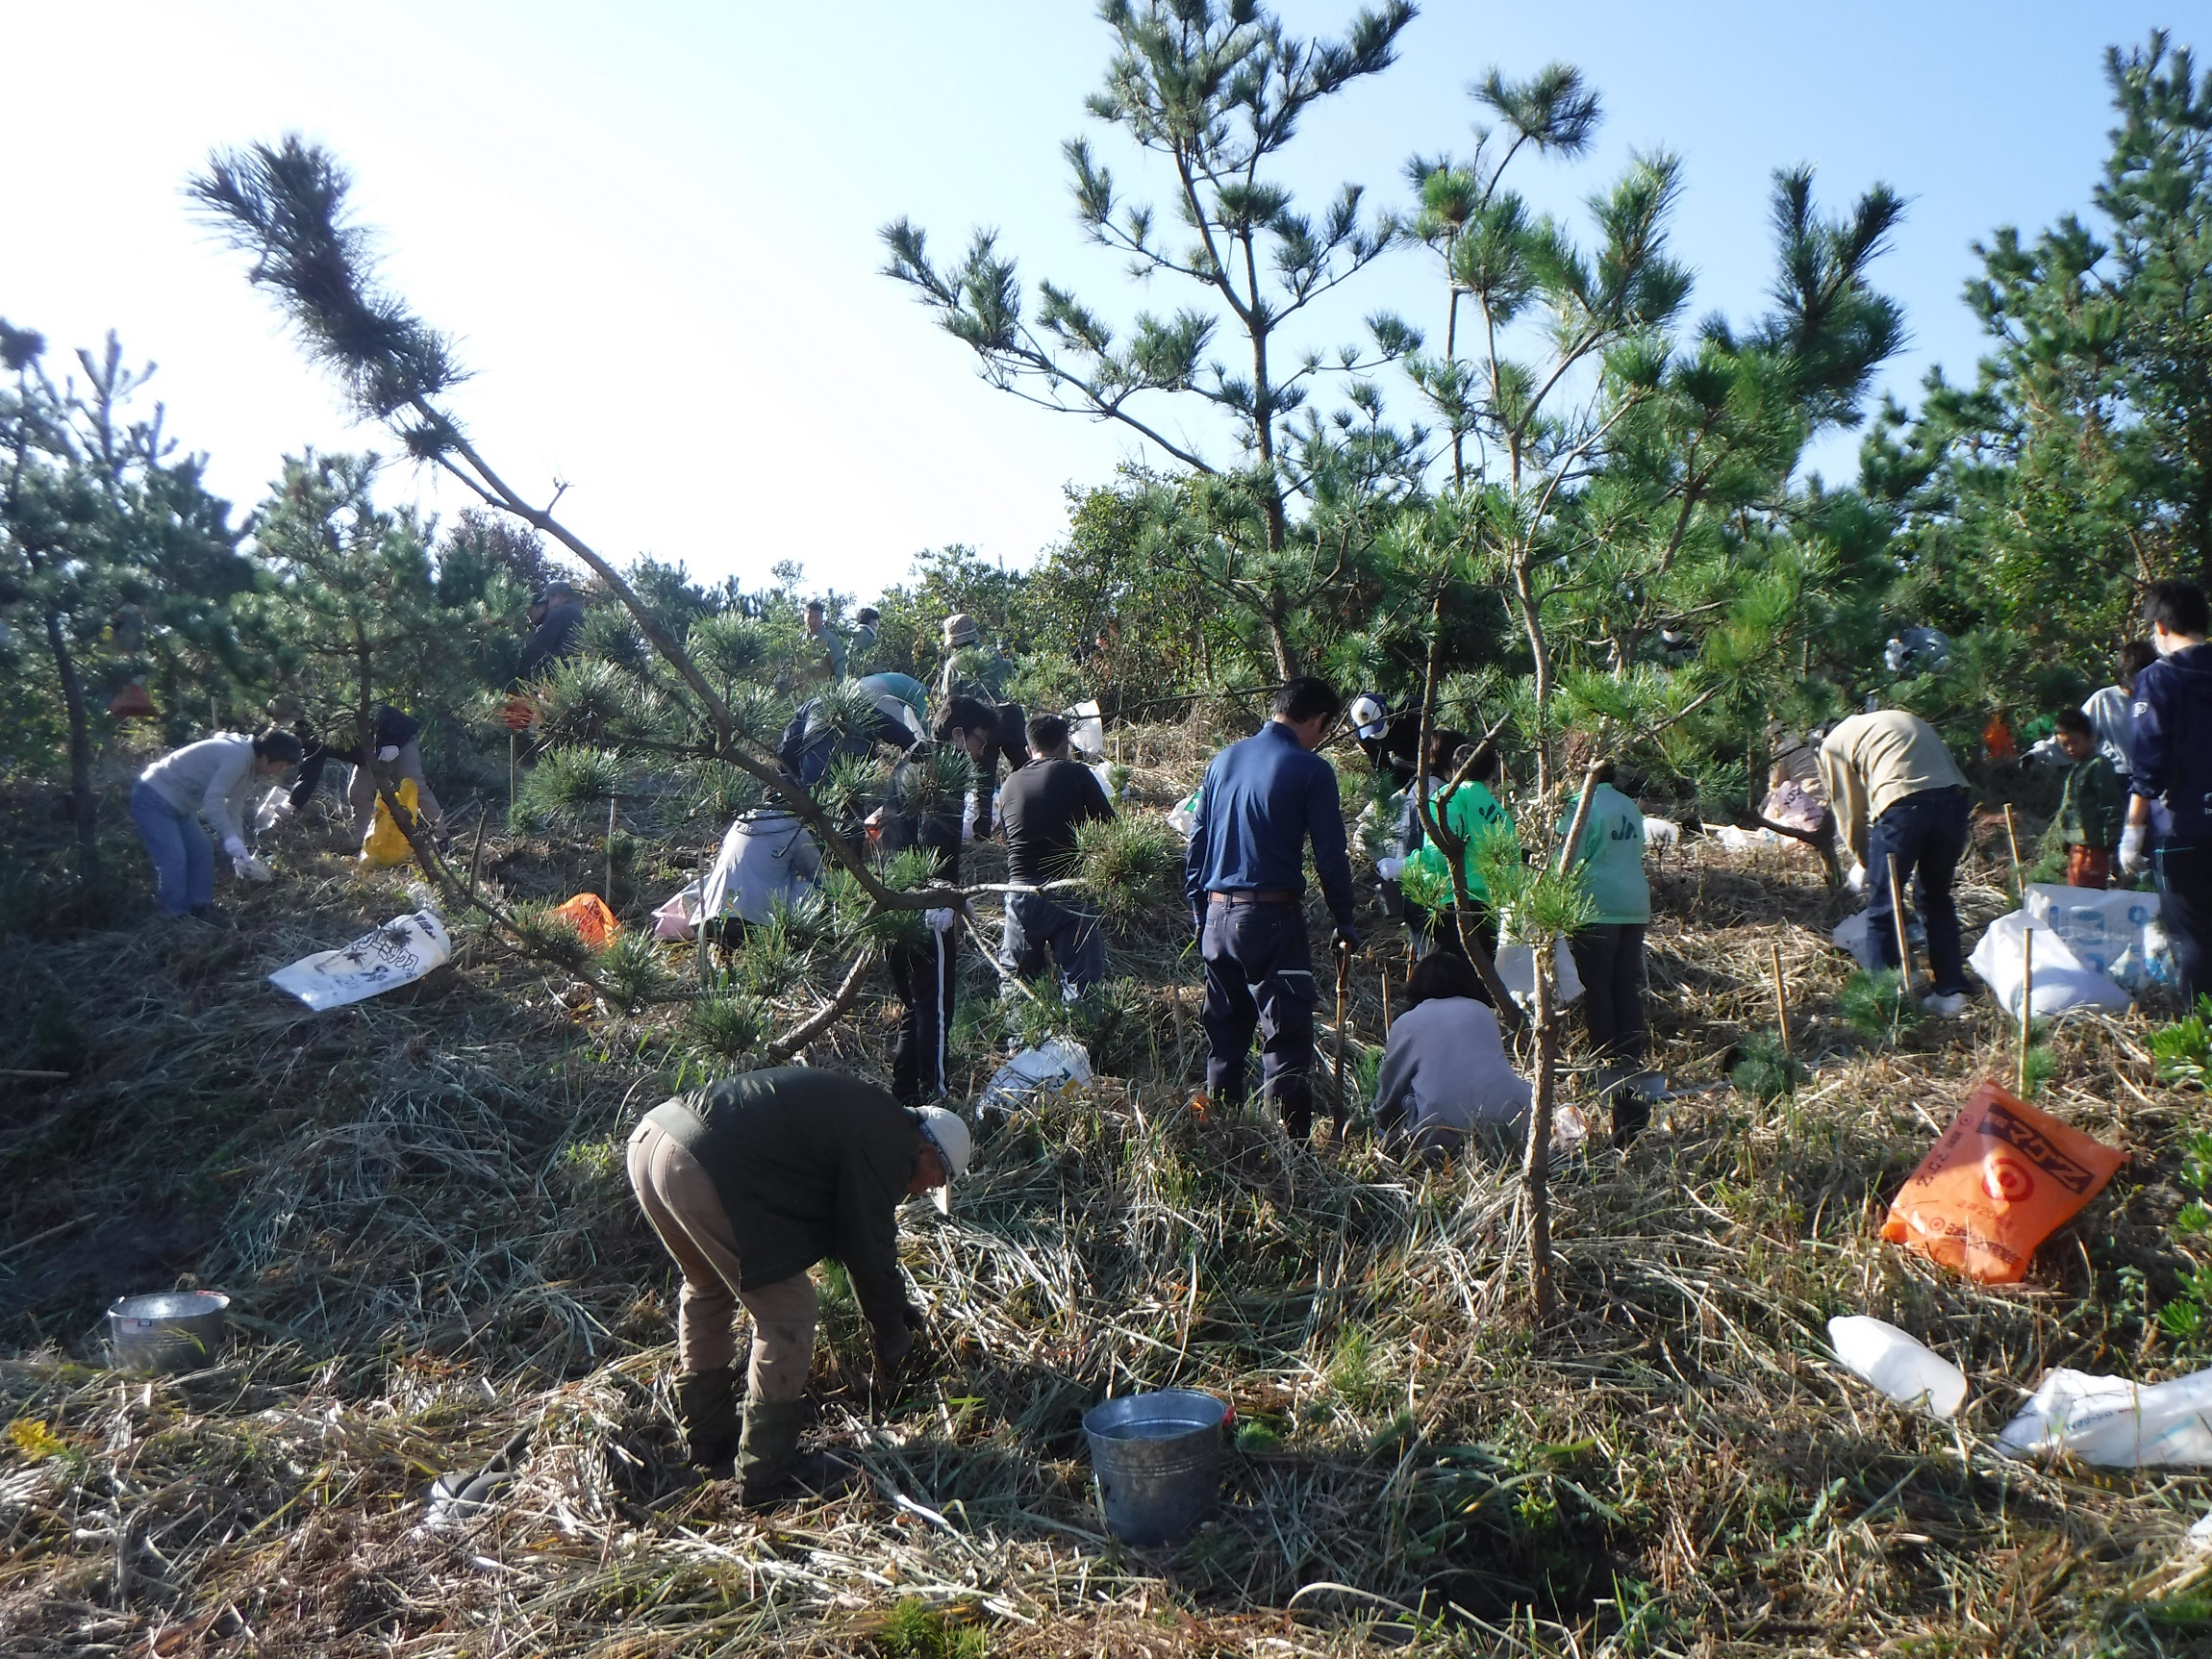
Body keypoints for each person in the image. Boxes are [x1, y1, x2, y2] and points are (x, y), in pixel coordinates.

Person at [625, 1068, 970, 1505]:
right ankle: (766, 1475)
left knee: (707, 1285)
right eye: (933, 1182)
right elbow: (867, 1243)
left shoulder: (867, 1112)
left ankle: (708, 1437)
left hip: (654, 1140)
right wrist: (892, 1332)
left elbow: (839, 1224)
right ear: (927, 1152)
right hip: (703, 1163)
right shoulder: (891, 1143)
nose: (922, 1190)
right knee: (788, 1311)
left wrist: (892, 1307)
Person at [1185, 676, 1360, 1141]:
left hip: (1217, 917)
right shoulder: (1311, 769)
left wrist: (1200, 913)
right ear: (1317, 720)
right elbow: (1330, 854)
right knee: (1284, 1039)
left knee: (1225, 1039)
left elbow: (1197, 842)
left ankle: (1221, 1143)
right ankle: (1291, 1156)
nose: (1320, 740)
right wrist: (1345, 919)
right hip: (1270, 920)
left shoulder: (1223, 761)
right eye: (1323, 730)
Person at [1818, 708, 1973, 1017]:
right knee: (1935, 897)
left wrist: (1864, 859)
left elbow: (1848, 810)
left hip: (1905, 804)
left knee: (1882, 906)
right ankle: (1951, 989)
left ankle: (1887, 1003)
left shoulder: (1831, 744)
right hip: (1954, 800)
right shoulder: (1884, 719)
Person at [2124, 578, 2212, 1006]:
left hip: (2183, 831)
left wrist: (2133, 828)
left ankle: (2201, 1046)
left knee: (2194, 941)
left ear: (2159, 627)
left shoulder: (2159, 679)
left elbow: (2149, 764)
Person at [877, 716, 969, 1105]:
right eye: (979, 741)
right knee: (936, 1008)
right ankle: (936, 1096)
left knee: (914, 1007)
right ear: (961, 734)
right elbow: (936, 842)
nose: (981, 752)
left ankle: (903, 1095)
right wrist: (946, 896)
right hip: (926, 906)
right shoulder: (940, 777)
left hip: (892, 901)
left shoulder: (904, 768)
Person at [1559, 762, 1654, 1141]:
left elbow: (1567, 856)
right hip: (1635, 905)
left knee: (1597, 986)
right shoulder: (1628, 805)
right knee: (1624, 983)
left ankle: (1604, 1063)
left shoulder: (1581, 804)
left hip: (1597, 905)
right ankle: (1631, 1058)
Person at [996, 713, 1116, 994]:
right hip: (1068, 890)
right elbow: (1111, 830)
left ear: (1028, 750)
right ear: (1065, 745)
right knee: (1081, 983)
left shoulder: (1009, 785)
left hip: (1020, 892)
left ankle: (1020, 1038)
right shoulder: (1076, 774)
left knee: (1018, 984)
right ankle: (1080, 1036)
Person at [1372, 951, 1530, 1163]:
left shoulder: (1407, 1022)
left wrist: (1382, 1127)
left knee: (1409, 1098)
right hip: (1513, 1120)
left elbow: (1391, 1089)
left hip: (1442, 1131)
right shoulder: (1482, 1012)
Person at [131, 728, 302, 919]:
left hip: (180, 806)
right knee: (174, 860)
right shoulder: (237, 756)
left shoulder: (250, 767)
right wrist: (229, 837)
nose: (280, 770)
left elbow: (233, 809)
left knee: (202, 853)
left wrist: (240, 853)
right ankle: (174, 915)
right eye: (281, 764)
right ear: (267, 756)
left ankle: (200, 906)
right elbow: (214, 800)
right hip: (154, 797)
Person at [1398, 736, 1516, 961]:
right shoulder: (1501, 815)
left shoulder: (1448, 799)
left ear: (1454, 769)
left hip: (1451, 905)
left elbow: (1442, 851)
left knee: (1448, 981)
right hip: (1489, 909)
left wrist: (1405, 866)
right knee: (1481, 983)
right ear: (1491, 774)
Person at [280, 705, 444, 841]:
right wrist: (294, 802)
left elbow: (379, 712)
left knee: (415, 786)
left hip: (399, 740)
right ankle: (365, 842)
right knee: (358, 793)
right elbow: (310, 769)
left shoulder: (329, 712)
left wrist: (390, 742)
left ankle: (442, 837)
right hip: (369, 754)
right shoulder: (309, 736)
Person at [2049, 706, 2124, 889]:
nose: (2070, 749)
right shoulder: (2077, 768)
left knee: (2088, 898)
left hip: (2094, 848)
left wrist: (2110, 844)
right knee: (2076, 894)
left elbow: (2111, 805)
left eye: (2075, 742)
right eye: (2064, 745)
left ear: (2091, 738)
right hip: (2076, 847)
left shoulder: (2099, 765)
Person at [517, 581, 586, 682]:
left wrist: (521, 675)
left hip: (563, 672)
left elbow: (539, 643)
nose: (548, 605)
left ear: (558, 596)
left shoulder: (561, 612)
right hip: (584, 671)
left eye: (549, 600)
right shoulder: (583, 611)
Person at [802, 600, 846, 682]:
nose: (813, 621)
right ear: (804, 618)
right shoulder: (798, 640)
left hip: (821, 691)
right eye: (810, 617)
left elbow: (839, 666)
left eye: (816, 617)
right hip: (799, 691)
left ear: (822, 618)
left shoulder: (829, 639)